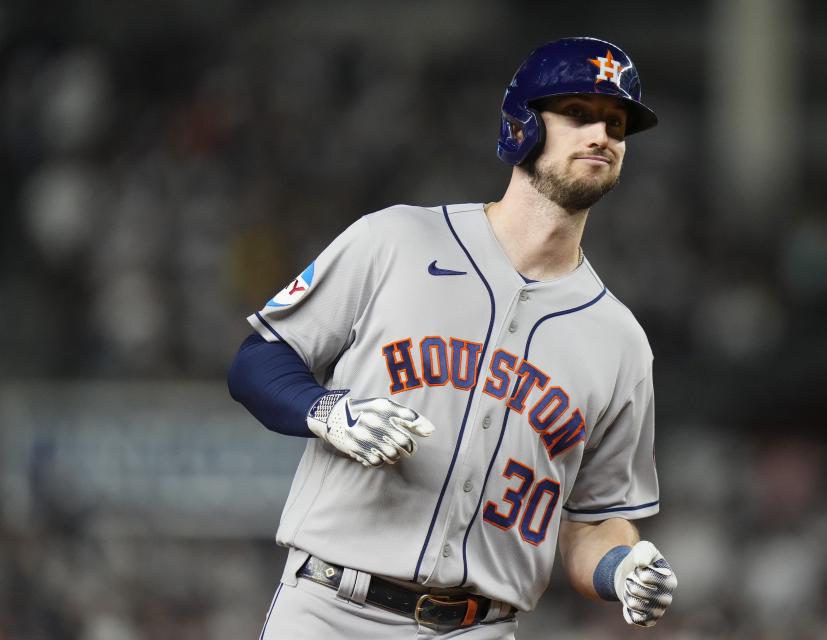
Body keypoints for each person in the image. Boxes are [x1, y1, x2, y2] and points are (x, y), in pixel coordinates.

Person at [228, 36, 677, 640]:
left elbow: (593, 523)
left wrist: (621, 567)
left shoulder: (619, 341)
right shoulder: (397, 241)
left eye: (617, 125)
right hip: (330, 608)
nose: (602, 135)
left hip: (478, 628)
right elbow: (258, 360)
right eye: (577, 114)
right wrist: (324, 410)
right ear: (524, 124)